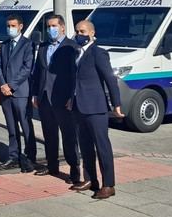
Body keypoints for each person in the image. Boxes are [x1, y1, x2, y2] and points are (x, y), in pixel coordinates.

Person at [70, 20, 122, 199]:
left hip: (96, 107)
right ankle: (91, 179)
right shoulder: (76, 53)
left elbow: (110, 78)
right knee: (85, 146)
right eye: (77, 31)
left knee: (102, 147)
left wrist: (116, 103)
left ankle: (109, 184)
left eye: (83, 31)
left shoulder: (98, 53)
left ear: (92, 33)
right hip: (79, 106)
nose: (79, 34)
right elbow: (74, 80)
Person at [31, 15, 83, 184]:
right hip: (45, 97)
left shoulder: (71, 47)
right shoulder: (44, 47)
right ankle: (52, 165)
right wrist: (35, 94)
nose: (50, 29)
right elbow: (38, 72)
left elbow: (74, 75)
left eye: (53, 25)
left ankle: (74, 170)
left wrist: (71, 96)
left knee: (69, 135)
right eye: (48, 26)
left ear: (62, 27)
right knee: (49, 134)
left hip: (63, 98)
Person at [0, 14, 36, 173]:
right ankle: (13, 155)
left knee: (25, 126)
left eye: (13, 26)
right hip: (6, 93)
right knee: (11, 127)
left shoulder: (28, 44)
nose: (10, 29)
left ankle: (29, 157)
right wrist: (3, 85)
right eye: (8, 26)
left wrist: (11, 85)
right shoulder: (5, 45)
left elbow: (27, 68)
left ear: (20, 26)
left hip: (20, 92)